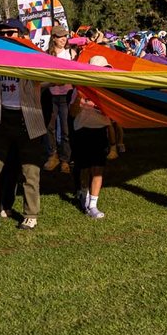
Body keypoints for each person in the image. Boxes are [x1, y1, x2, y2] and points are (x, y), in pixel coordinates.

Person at [0, 19, 47, 230]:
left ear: (21, 36)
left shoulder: (33, 61)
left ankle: (30, 214)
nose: (4, 37)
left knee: (30, 171)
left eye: (10, 33)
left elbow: (50, 80)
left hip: (27, 121)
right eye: (1, 34)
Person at [71, 55, 114, 219]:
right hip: (82, 131)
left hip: (100, 130)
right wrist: (79, 100)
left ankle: (93, 205)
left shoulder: (107, 89)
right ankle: (84, 194)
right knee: (84, 168)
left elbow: (112, 114)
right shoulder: (80, 88)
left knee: (98, 169)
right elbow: (72, 113)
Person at [44, 25, 74, 173]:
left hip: (66, 95)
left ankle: (65, 160)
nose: (64, 39)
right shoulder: (47, 54)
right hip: (50, 95)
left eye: (65, 36)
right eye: (60, 36)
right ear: (53, 38)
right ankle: (52, 155)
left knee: (66, 129)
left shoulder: (70, 53)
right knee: (49, 127)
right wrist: (51, 82)